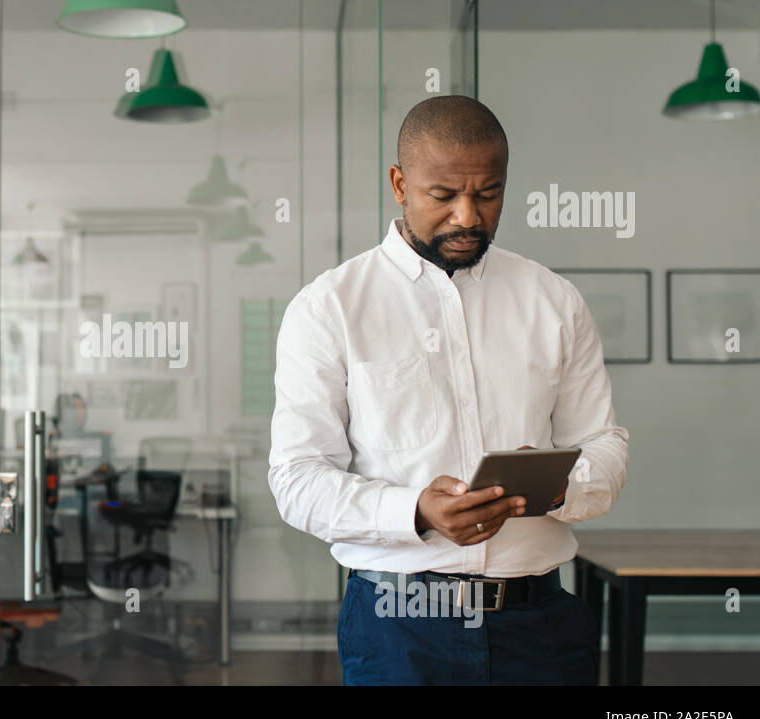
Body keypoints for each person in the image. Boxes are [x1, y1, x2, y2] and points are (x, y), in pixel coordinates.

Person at [268, 95, 629, 685]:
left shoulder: (554, 301)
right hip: (397, 629)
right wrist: (414, 511)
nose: (468, 216)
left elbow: (604, 442)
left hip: (539, 626)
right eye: (444, 196)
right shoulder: (329, 308)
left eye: (488, 194)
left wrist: (561, 484)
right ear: (399, 183)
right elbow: (297, 478)